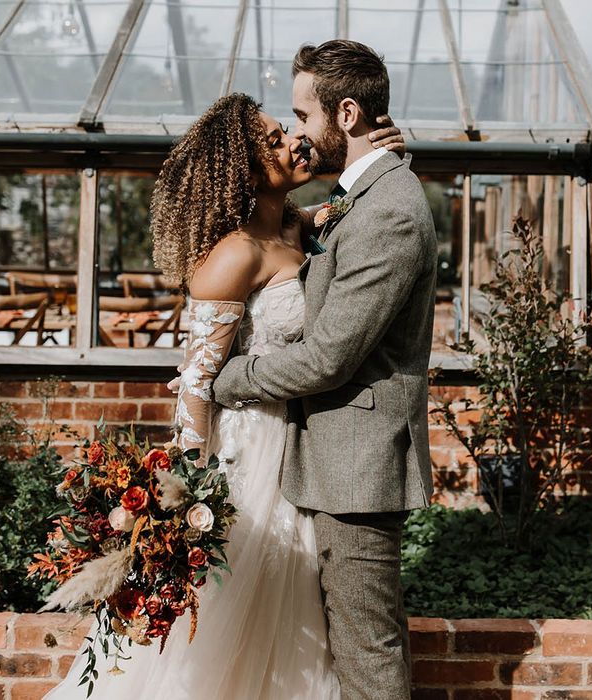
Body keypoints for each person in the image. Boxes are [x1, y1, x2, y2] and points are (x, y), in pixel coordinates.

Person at [44, 90, 404, 699]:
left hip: (303, 443)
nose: (293, 139)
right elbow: (196, 385)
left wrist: (378, 152)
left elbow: (347, 207)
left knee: (295, 616)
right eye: (272, 139)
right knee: (233, 618)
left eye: (288, 129)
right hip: (249, 457)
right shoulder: (233, 255)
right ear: (241, 166)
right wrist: (185, 496)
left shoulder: (298, 225)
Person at [213, 40, 437, 700]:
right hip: (329, 463)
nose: (299, 135)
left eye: (301, 115)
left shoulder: (390, 211)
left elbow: (329, 358)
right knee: (345, 644)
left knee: (367, 652)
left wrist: (225, 380)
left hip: (358, 470)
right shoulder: (364, 197)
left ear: (344, 113)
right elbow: (325, 226)